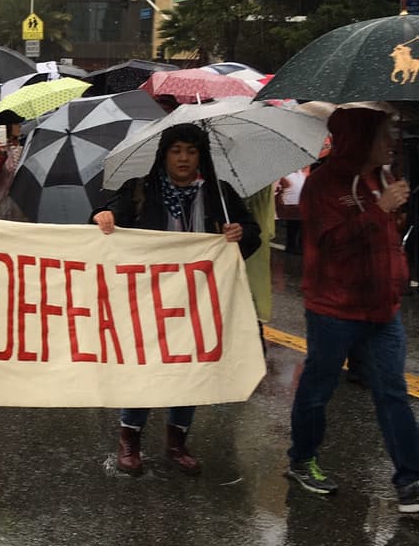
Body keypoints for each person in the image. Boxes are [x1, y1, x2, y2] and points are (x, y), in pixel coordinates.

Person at [92, 123, 260, 476]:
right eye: (176, 150)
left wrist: (239, 232)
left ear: (201, 156)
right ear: (164, 154)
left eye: (192, 150)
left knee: (192, 367)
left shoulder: (219, 193)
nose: (184, 158)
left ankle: (177, 442)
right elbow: (108, 222)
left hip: (199, 300)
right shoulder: (140, 190)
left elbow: (251, 232)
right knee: (146, 366)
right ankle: (130, 440)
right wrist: (103, 218)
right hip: (147, 297)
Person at [285, 107, 419, 512]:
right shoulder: (323, 184)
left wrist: (393, 215)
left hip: (383, 308)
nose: (390, 144)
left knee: (393, 391)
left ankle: (411, 480)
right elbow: (332, 244)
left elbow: (385, 238)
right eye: (382, 136)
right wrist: (379, 212)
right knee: (317, 390)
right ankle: (302, 458)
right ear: (360, 140)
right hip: (334, 309)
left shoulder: (384, 178)